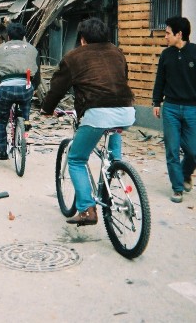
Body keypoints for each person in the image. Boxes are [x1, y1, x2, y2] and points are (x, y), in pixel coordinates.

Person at [41, 17, 134, 225]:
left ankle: (86, 210)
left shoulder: (74, 57)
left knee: (76, 159)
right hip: (127, 111)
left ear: (82, 39)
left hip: (98, 113)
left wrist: (47, 109)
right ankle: (115, 168)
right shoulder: (117, 52)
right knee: (112, 141)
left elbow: (58, 87)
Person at [152, 16, 196, 204]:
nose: (165, 37)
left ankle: (185, 174)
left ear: (179, 34)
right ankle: (177, 188)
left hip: (191, 108)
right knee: (172, 150)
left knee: (193, 150)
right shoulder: (166, 55)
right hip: (171, 109)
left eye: (168, 33)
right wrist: (156, 102)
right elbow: (160, 80)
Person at [0, 23, 40, 160]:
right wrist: (34, 86)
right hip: (26, 87)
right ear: (23, 36)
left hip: (6, 88)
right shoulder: (32, 50)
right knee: (25, 106)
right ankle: (25, 124)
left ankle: (3, 151)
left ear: (8, 36)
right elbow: (37, 74)